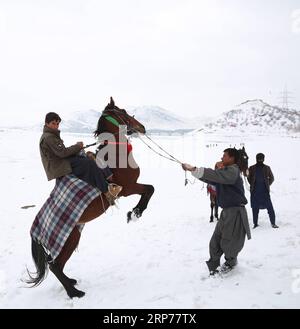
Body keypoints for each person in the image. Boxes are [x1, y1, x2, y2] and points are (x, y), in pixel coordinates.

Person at [182, 148, 251, 276]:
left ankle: (231, 263)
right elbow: (212, 178)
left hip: (235, 212)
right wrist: (193, 171)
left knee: (229, 242)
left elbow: (217, 175)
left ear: (232, 158)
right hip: (225, 212)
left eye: (224, 156)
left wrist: (193, 169)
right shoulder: (225, 172)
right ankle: (214, 265)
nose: (221, 158)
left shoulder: (233, 171)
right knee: (215, 241)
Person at [39, 112, 122, 205]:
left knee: (86, 157)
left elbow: (60, 151)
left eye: (57, 124)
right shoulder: (49, 137)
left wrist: (77, 148)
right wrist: (77, 146)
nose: (56, 126)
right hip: (59, 165)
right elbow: (62, 153)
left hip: (60, 162)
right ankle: (108, 192)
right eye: (53, 123)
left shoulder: (50, 135)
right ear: (47, 123)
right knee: (89, 163)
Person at [247, 153, 278, 229]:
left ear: (263, 159)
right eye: (259, 158)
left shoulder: (267, 168)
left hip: (265, 192)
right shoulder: (251, 168)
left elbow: (272, 178)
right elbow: (248, 178)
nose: (260, 160)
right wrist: (252, 184)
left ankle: (273, 223)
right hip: (254, 192)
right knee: (255, 209)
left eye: (261, 158)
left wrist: (267, 184)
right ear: (256, 159)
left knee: (270, 208)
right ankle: (255, 224)